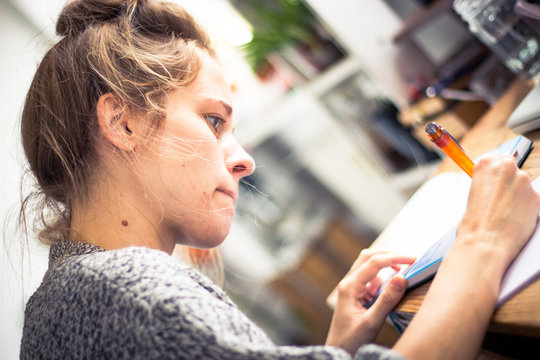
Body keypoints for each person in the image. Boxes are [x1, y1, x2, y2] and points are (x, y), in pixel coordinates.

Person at [17, 0, 540, 359]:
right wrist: (484, 238)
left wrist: (334, 350)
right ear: (123, 122)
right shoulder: (130, 292)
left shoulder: (53, 306)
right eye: (214, 121)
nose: (243, 160)